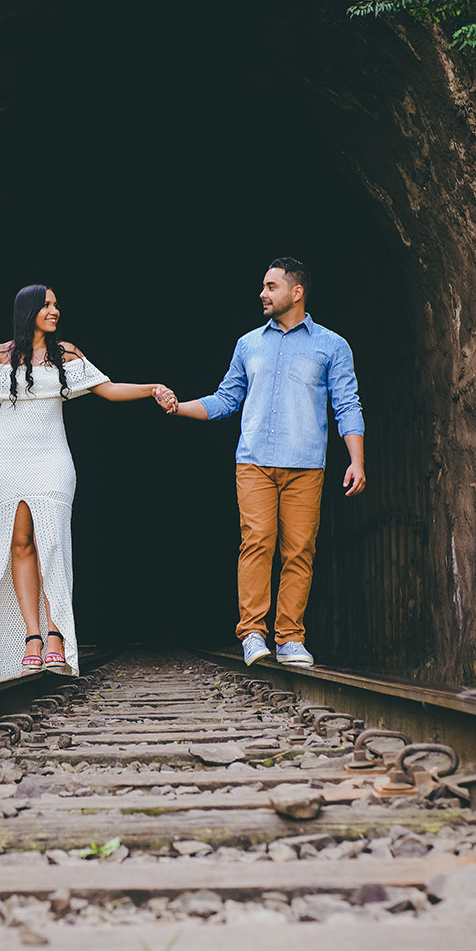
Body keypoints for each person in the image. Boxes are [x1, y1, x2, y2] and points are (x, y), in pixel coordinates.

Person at [0, 284, 173, 678]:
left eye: (56, 305)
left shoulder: (67, 354)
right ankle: (33, 638)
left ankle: (57, 634)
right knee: (18, 543)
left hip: (52, 457)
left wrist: (151, 388)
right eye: (47, 305)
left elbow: (106, 389)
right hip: (5, 459)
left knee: (51, 541)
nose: (55, 310)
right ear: (28, 311)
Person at [157, 257, 365, 669]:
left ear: (296, 292)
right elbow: (225, 400)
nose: (262, 294)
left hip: (307, 465)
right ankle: (253, 633)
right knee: (257, 541)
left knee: (300, 550)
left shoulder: (332, 345)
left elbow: (347, 404)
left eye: (271, 286)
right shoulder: (248, 344)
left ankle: (290, 638)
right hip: (254, 463)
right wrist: (179, 407)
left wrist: (356, 460)